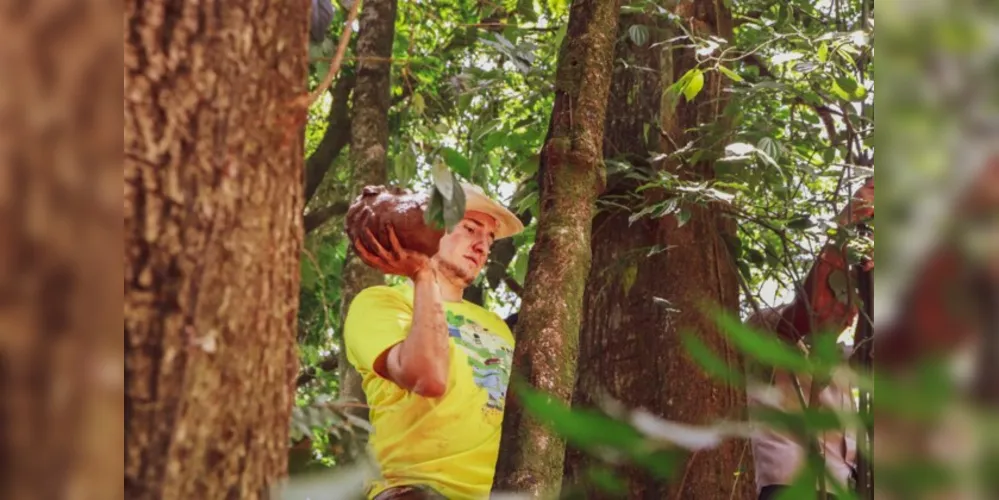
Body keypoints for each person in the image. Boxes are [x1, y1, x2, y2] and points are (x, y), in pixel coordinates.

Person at [343, 183, 524, 500]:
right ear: (432, 228)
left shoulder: (497, 326)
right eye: (470, 229)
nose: (482, 246)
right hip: (413, 489)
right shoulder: (380, 303)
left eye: (489, 239)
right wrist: (423, 274)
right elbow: (428, 378)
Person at [747, 179, 874, 500]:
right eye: (841, 293)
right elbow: (811, 312)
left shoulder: (843, 357)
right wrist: (849, 221)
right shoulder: (765, 324)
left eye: (853, 304)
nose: (847, 312)